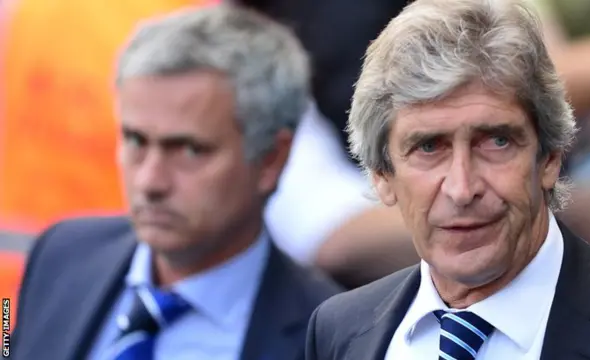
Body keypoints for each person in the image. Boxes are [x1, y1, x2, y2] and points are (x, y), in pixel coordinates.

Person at [305, 0, 590, 359]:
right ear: (382, 175)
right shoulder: (337, 331)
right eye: (429, 147)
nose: (462, 189)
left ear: (551, 157)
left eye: (497, 142)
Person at [10, 4, 342, 360]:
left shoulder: (331, 337)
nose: (150, 181)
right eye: (136, 140)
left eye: (188, 150)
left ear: (270, 159)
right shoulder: (62, 255)